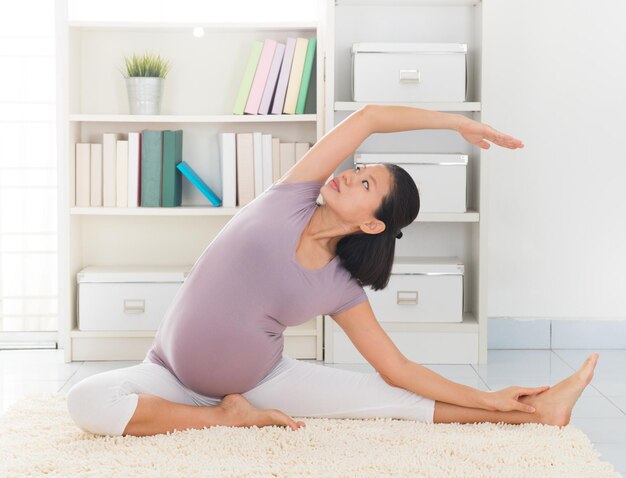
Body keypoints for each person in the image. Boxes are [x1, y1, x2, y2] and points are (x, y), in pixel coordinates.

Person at [67, 105, 599, 437]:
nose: (350, 176)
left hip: (266, 381)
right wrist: (454, 122)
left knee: (395, 401)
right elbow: (367, 117)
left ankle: (539, 413)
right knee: (85, 400)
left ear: (372, 226)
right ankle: (221, 420)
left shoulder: (339, 287)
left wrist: (486, 396)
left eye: (366, 186)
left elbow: (399, 369)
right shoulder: (288, 197)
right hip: (167, 373)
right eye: (359, 170)